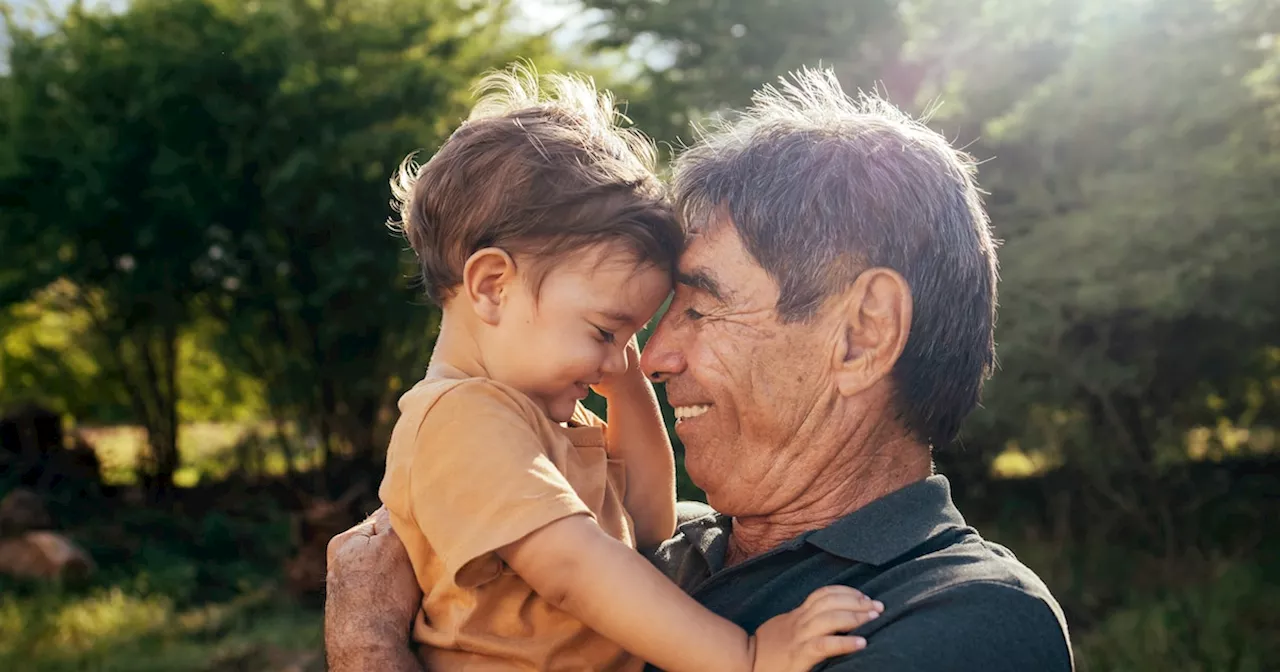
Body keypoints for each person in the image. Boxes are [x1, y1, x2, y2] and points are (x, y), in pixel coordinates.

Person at [327, 67, 1075, 671]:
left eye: (700, 308)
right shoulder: (672, 548)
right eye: (626, 324)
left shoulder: (968, 621)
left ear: (862, 335)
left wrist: (367, 648)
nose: (649, 357)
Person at [374, 64, 883, 672]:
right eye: (604, 331)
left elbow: (648, 524)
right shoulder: (461, 419)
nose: (619, 359)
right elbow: (573, 568)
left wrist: (630, 393)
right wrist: (744, 656)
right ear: (492, 287)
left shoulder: (542, 424)